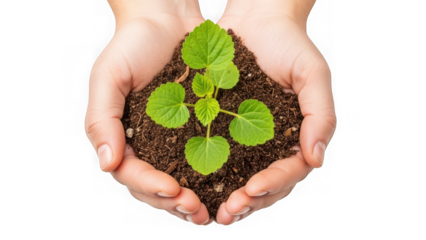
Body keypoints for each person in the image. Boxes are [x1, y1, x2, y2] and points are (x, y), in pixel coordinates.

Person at [84, 0, 336, 226]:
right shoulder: (196, 95)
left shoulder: (219, 86)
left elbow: (260, 127)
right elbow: (158, 107)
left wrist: (274, 8)